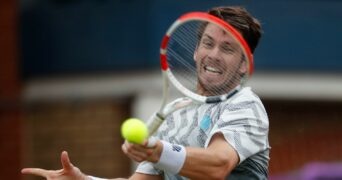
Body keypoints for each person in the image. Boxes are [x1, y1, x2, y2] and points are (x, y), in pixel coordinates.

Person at [21, 6, 270, 180]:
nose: (214, 54)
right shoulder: (175, 115)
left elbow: (218, 165)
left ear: (243, 64)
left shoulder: (245, 104)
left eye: (227, 48)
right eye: (208, 43)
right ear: (196, 51)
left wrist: (159, 151)